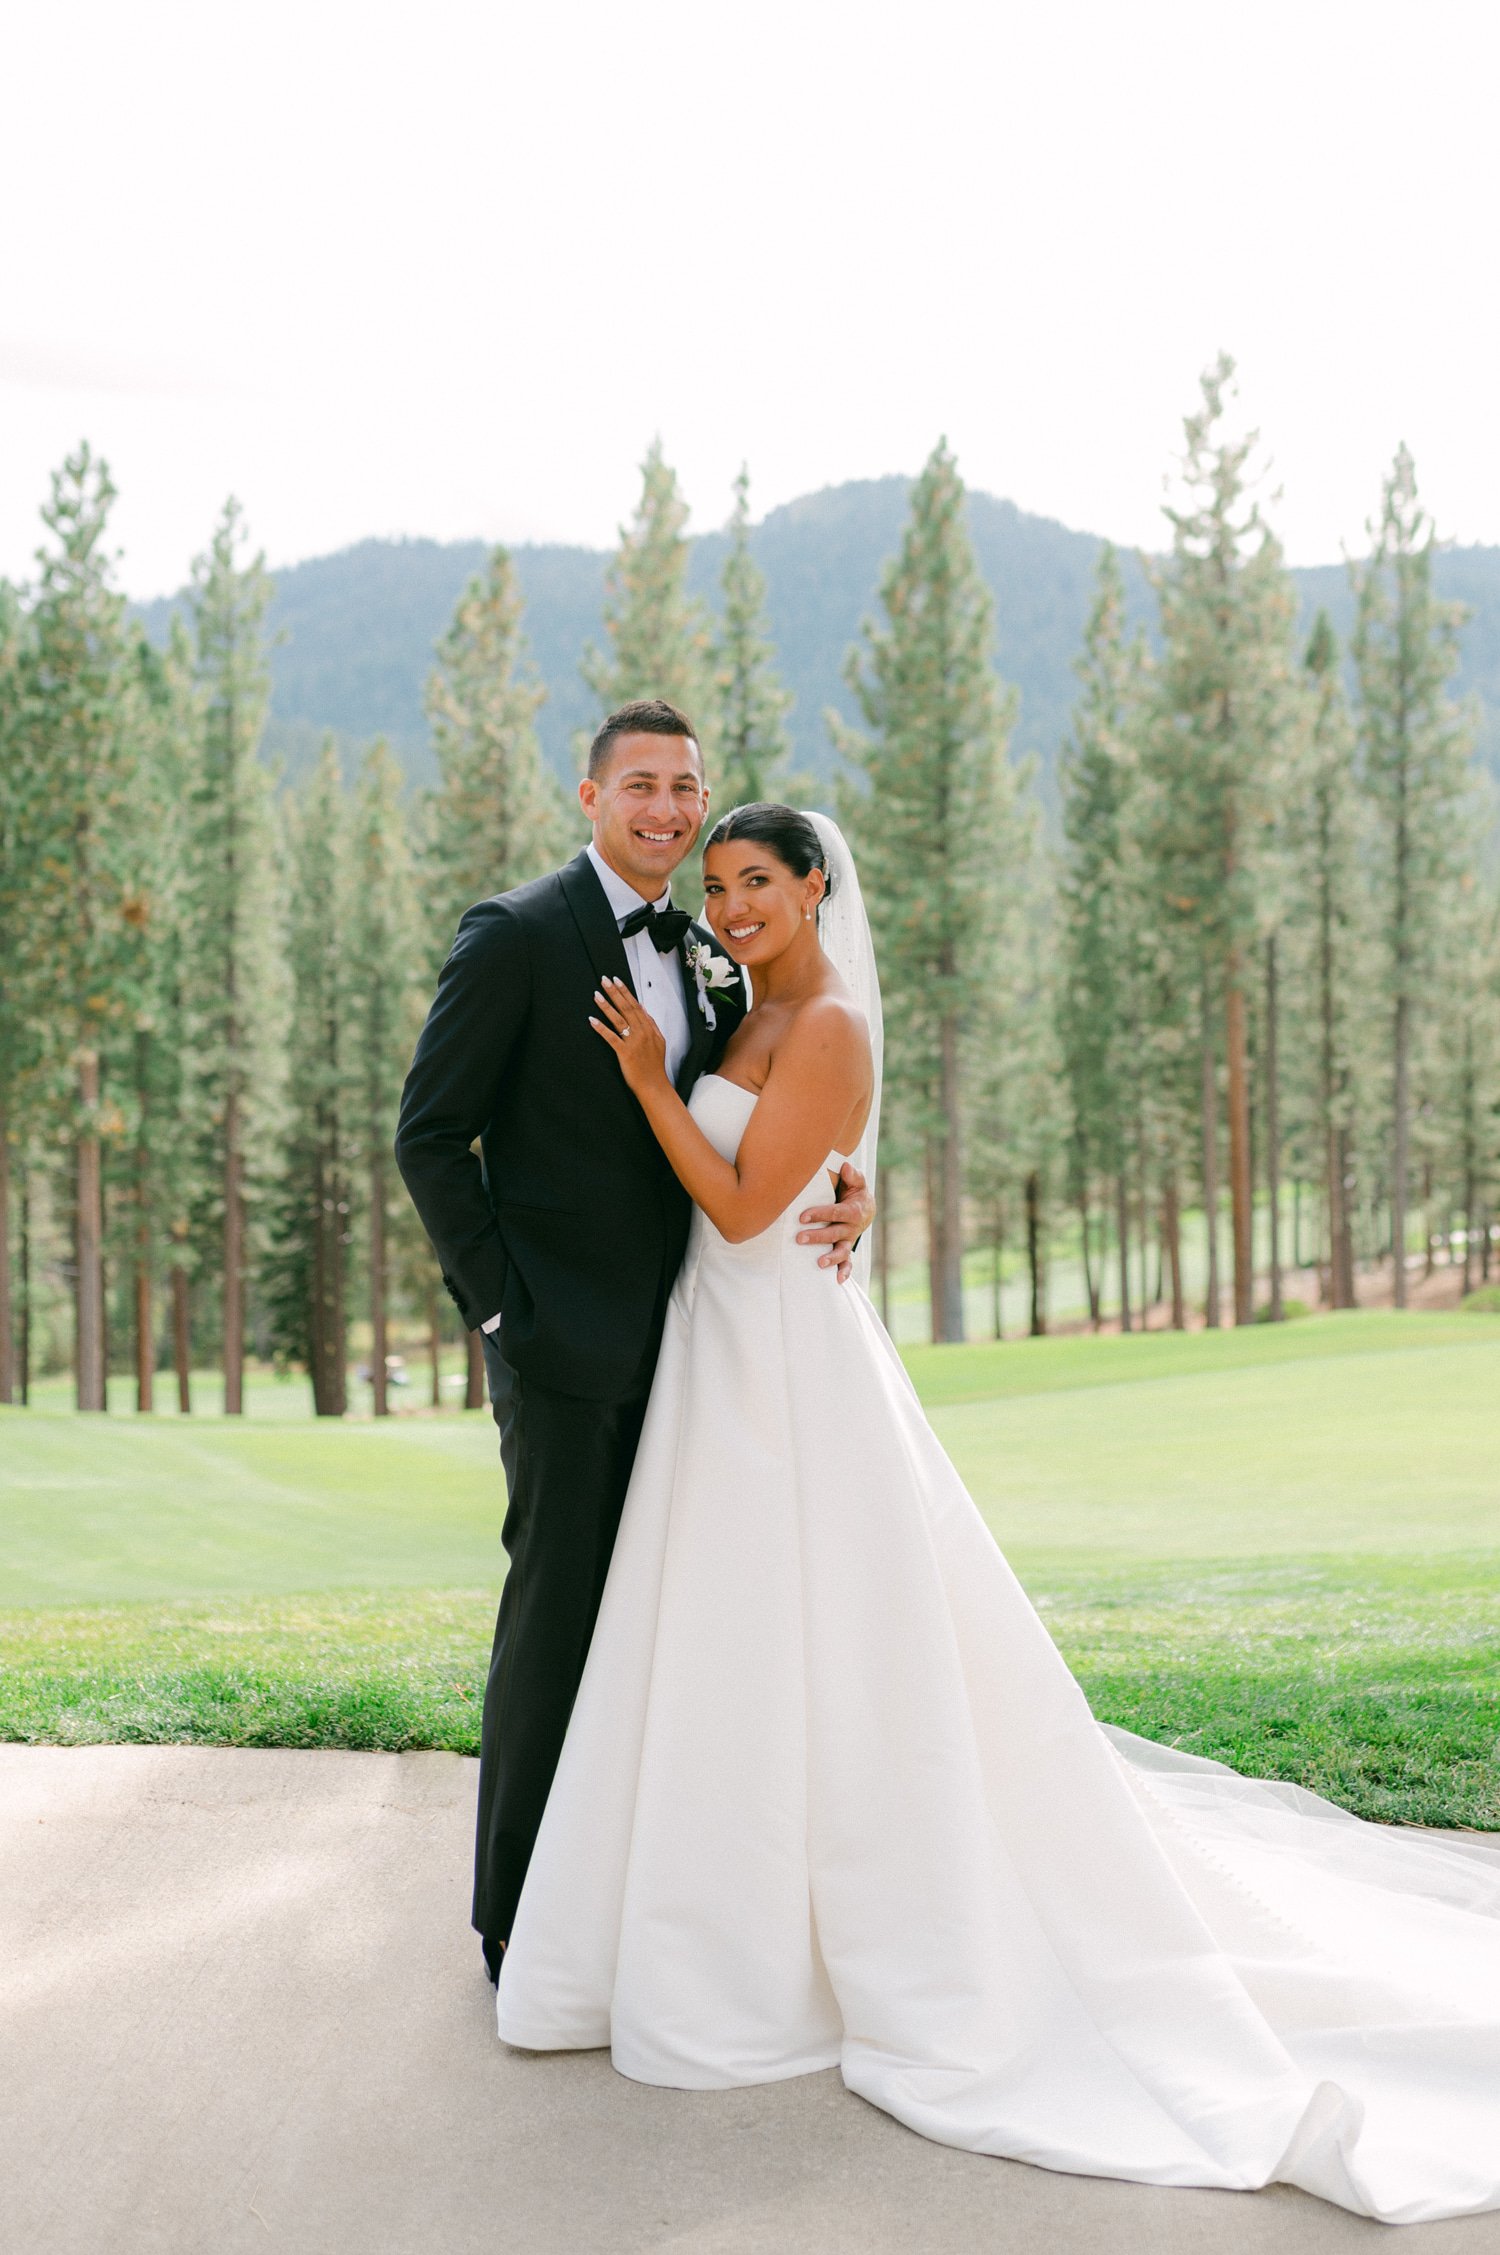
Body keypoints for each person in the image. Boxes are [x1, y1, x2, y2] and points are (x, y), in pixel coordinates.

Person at [494, 802, 1500, 2228]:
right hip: (719, 1354)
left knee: (815, 1634)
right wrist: (834, 1165)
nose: (730, 906)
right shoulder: (753, 1002)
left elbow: (733, 1207)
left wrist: (657, 1081)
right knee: (722, 1642)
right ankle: (710, 1924)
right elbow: (797, 1166)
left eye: (758, 882)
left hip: (779, 1356)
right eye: (716, 885)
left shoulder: (824, 1015)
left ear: (816, 883)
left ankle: (818, 1941)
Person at [394, 705, 874, 1985]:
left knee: (668, 1632)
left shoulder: (715, 955)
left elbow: (751, 1134)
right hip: (561, 1349)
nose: (667, 811)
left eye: (688, 789)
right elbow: (430, 1137)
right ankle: (517, 1925)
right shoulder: (517, 934)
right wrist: (504, 1314)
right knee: (556, 1625)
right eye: (643, 787)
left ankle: (636, 1905)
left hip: (699, 1339)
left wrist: (844, 1186)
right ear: (591, 795)